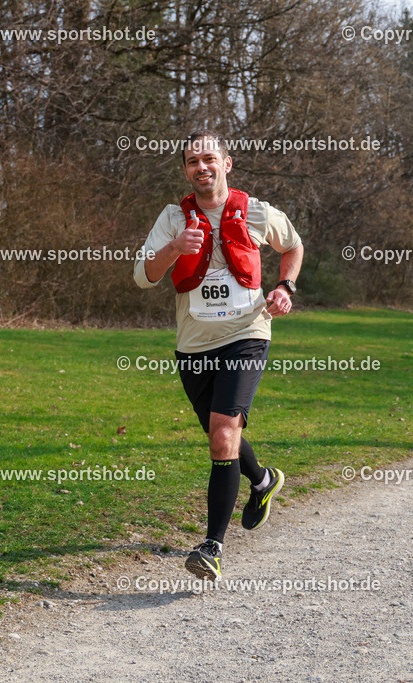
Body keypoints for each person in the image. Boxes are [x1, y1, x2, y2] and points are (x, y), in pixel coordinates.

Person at [133, 130, 304, 579]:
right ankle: (264, 479)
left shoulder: (256, 211)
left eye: (209, 158)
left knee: (223, 429)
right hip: (193, 343)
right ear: (186, 170)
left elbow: (293, 246)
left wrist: (286, 286)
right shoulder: (173, 218)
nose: (201, 167)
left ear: (227, 164)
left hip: (248, 332)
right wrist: (173, 249)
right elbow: (142, 276)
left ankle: (211, 547)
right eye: (192, 161)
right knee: (219, 435)